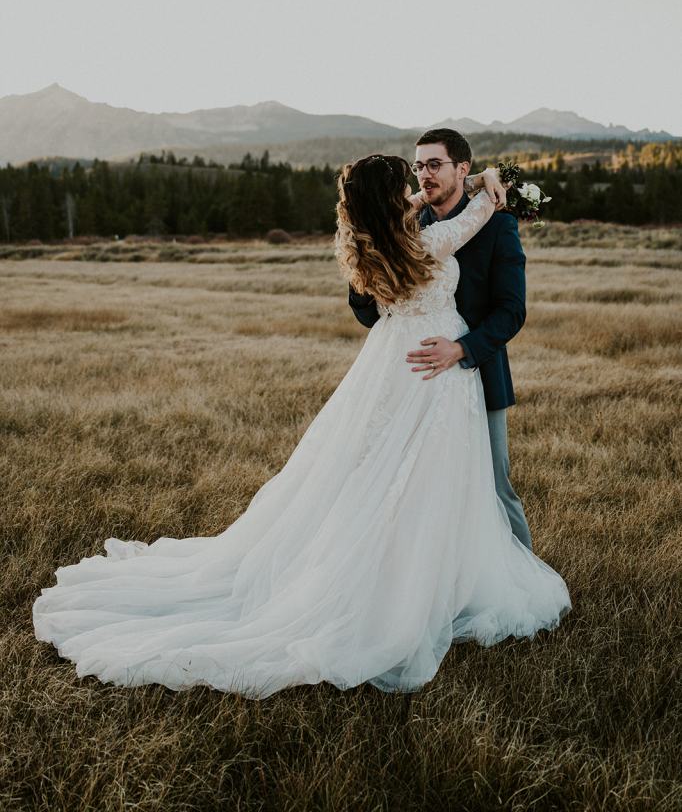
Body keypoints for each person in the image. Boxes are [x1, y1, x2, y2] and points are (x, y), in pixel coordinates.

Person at [33, 155, 570, 699]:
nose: (417, 184)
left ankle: (439, 579)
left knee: (404, 478)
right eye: (408, 177)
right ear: (392, 196)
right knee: (419, 479)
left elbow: (481, 276)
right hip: (429, 368)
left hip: (400, 365)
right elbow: (478, 213)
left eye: (427, 170)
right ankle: (413, 589)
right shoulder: (427, 241)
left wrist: (468, 181)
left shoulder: (375, 237)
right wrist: (490, 182)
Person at [350, 128, 533, 550]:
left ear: (461, 168)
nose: (424, 175)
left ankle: (520, 573)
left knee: (492, 485)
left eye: (435, 165)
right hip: (411, 380)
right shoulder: (403, 226)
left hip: (479, 372)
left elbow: (511, 311)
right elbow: (367, 315)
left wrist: (462, 348)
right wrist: (365, 269)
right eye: (418, 166)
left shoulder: (498, 226)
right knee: (415, 488)